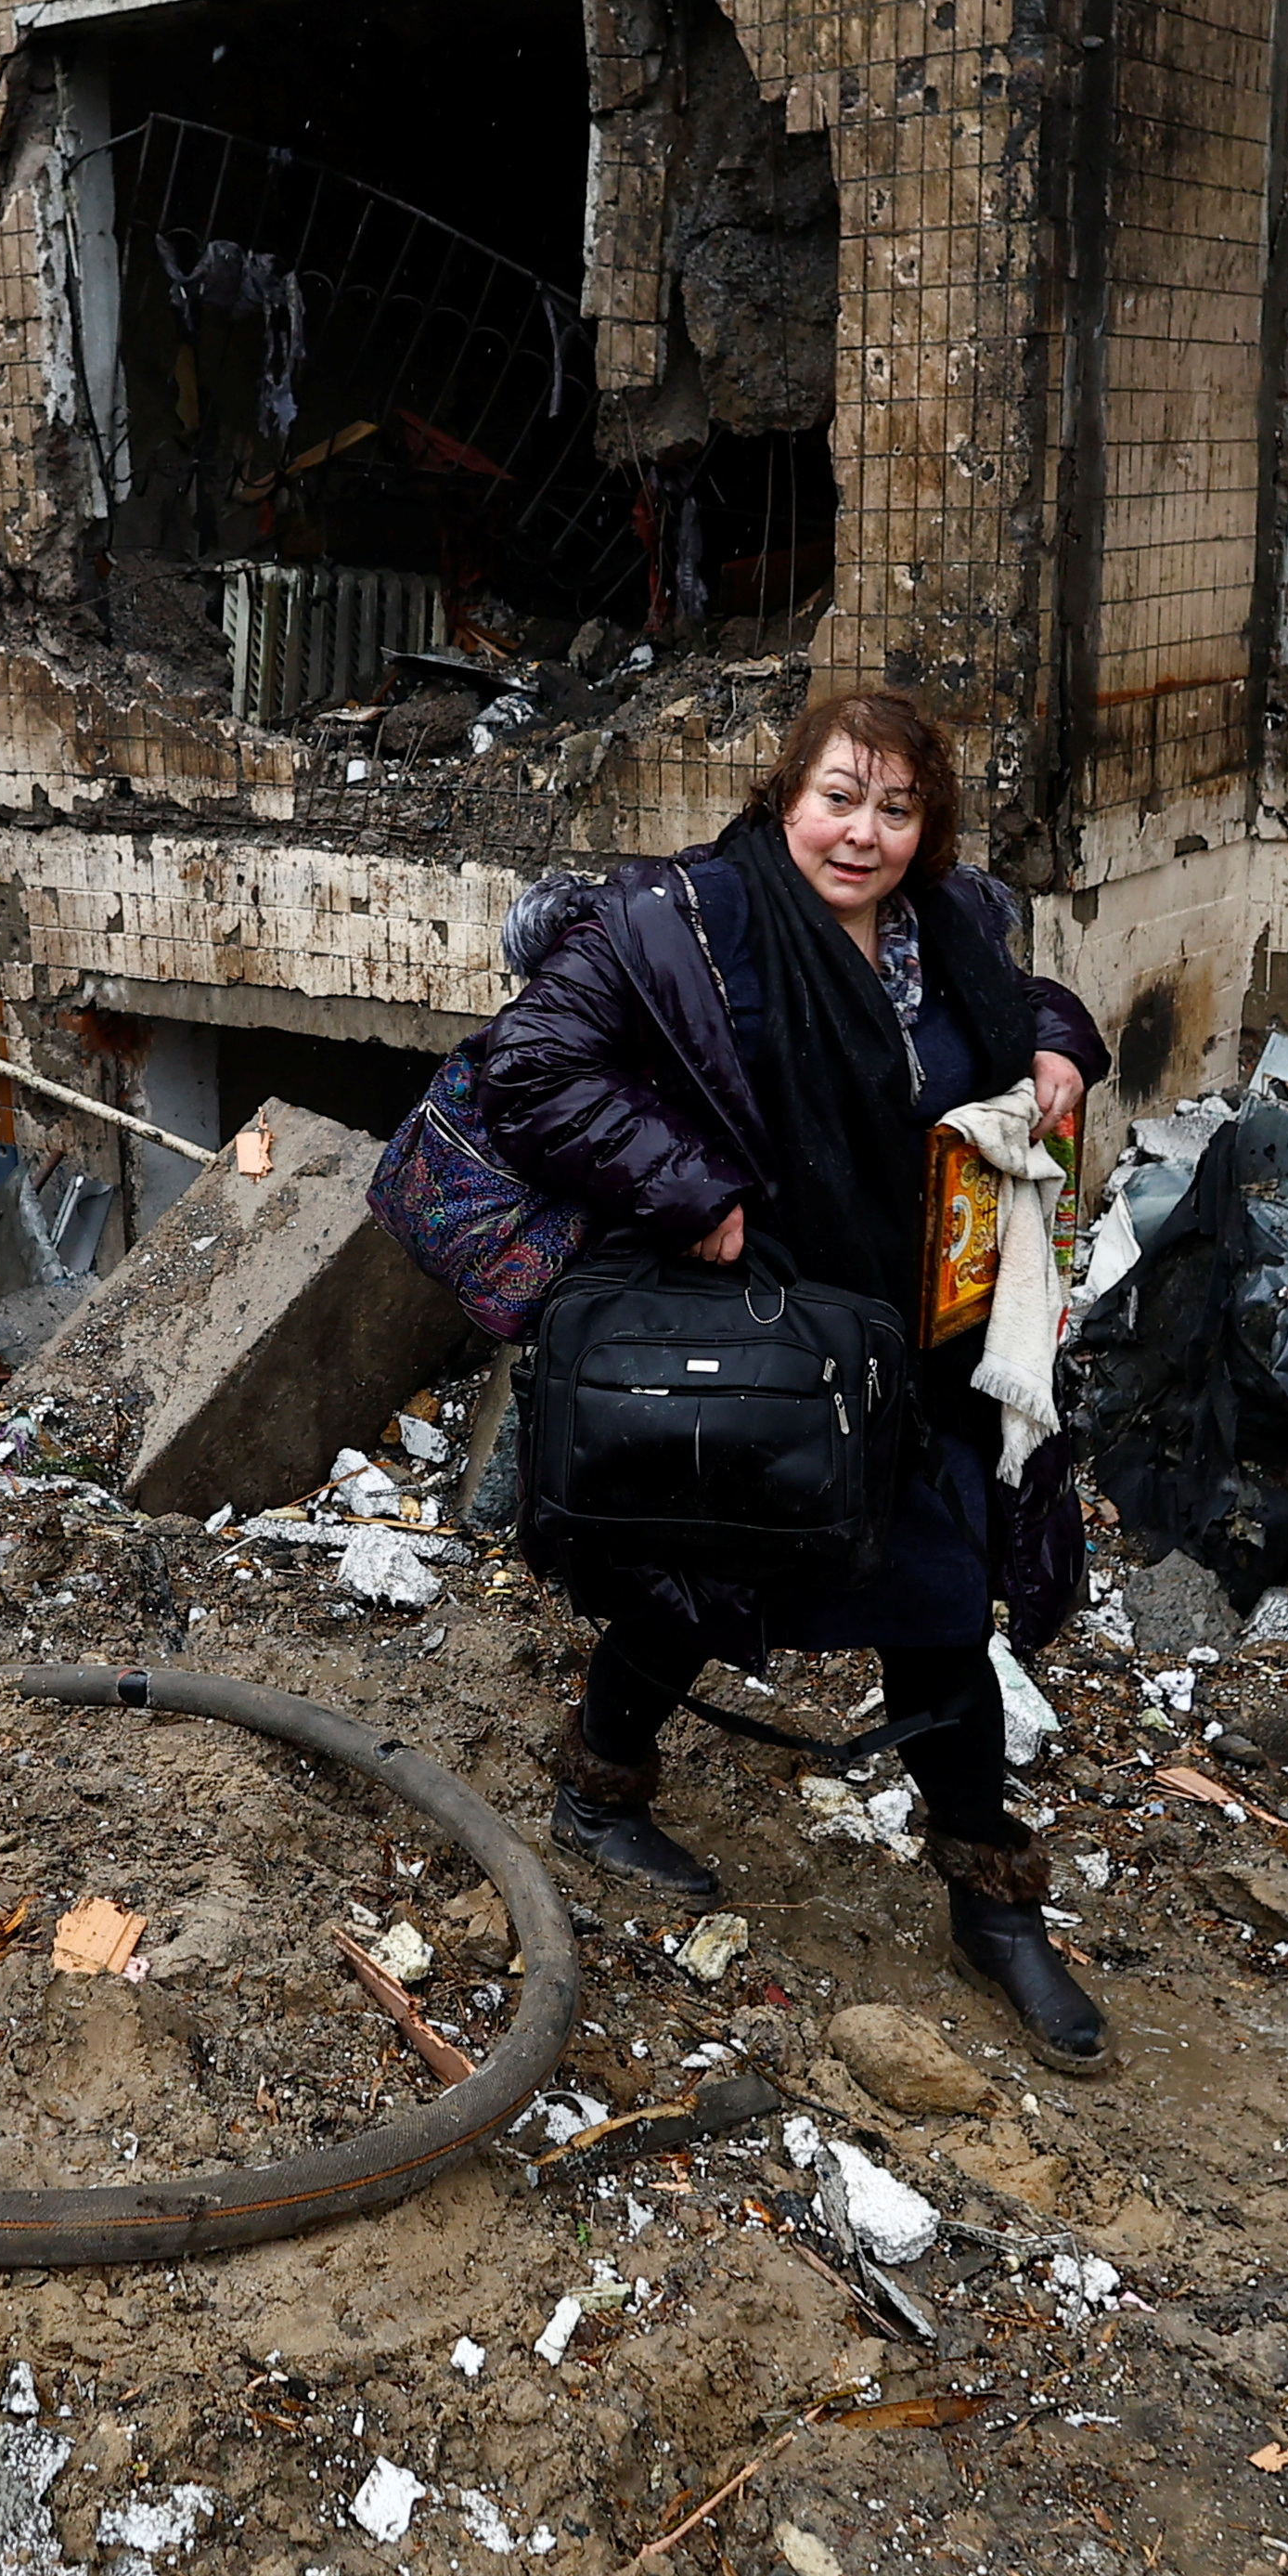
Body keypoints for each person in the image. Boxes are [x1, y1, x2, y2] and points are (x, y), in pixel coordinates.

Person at [475, 690, 1119, 2073]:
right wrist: (687, 1185)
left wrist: (1061, 1041)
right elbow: (531, 1069)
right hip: (766, 1325)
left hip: (917, 1334)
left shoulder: (946, 927)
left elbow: (1017, 1001)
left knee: (941, 1597)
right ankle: (599, 1782)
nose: (863, 833)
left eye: (896, 808)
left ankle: (990, 1899)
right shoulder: (686, 924)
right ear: (786, 799)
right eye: (839, 797)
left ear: (926, 826)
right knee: (716, 1565)